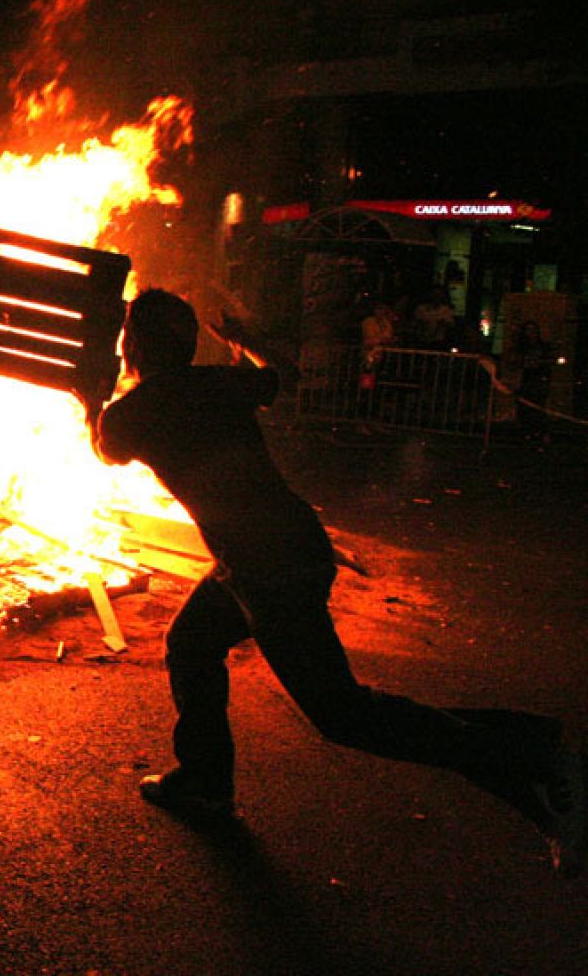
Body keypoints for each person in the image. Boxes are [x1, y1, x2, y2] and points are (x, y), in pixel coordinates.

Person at [86, 288, 584, 877]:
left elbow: (105, 447)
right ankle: (203, 779)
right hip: (280, 547)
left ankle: (535, 753)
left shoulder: (138, 410)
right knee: (193, 643)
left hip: (267, 567)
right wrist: (244, 339)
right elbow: (283, 375)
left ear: (133, 345)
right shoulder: (221, 383)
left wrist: (87, 388)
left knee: (344, 715)